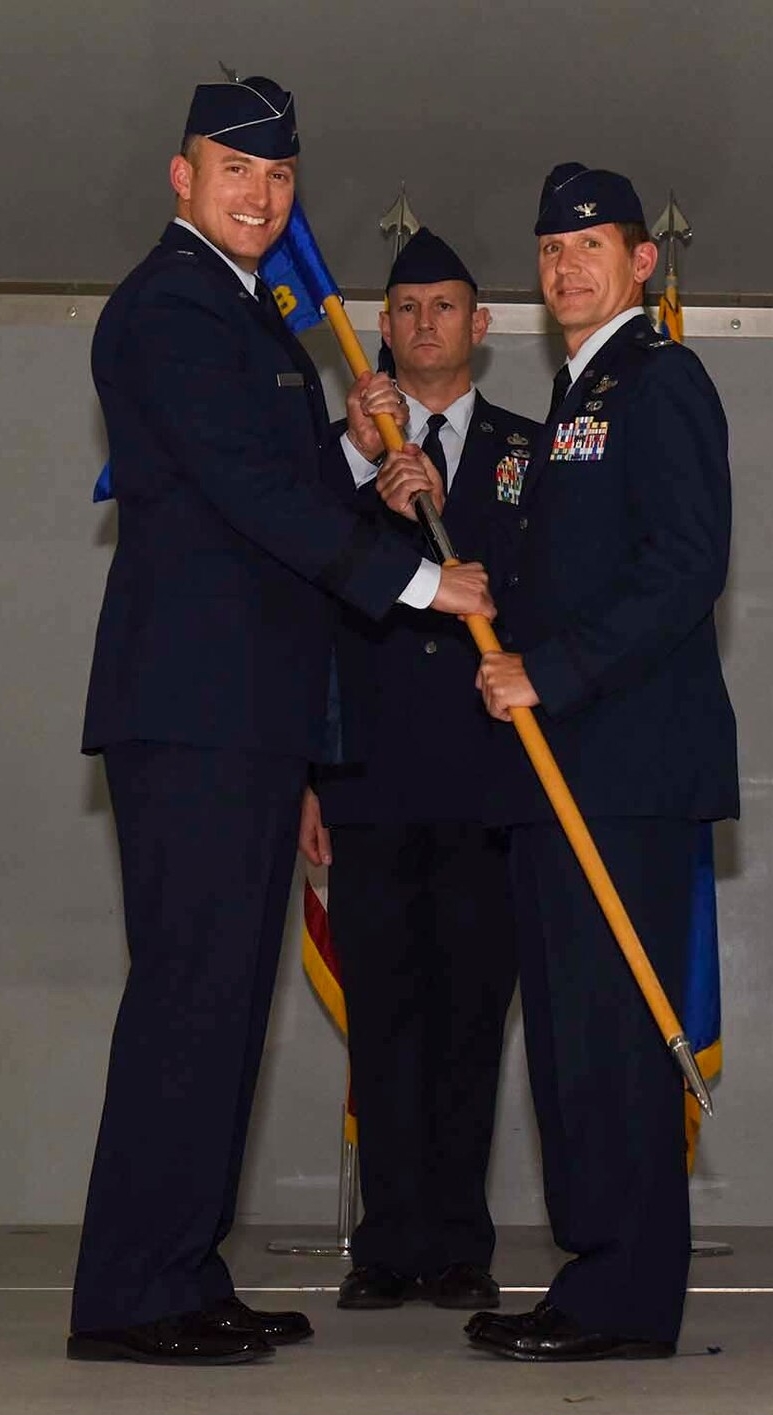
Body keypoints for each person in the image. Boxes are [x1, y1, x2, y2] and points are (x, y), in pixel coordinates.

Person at [66, 74, 492, 1367]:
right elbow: (249, 495)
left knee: (222, 1005)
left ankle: (180, 1273)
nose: (260, 194)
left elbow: (287, 479)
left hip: (244, 715)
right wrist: (420, 578)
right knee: (191, 996)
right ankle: (135, 1292)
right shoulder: (171, 308)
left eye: (280, 176)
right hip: (193, 711)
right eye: (234, 170)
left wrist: (361, 460)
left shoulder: (246, 315)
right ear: (180, 178)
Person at [387, 163, 738, 1361]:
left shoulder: (661, 381)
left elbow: (685, 567)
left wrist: (555, 669)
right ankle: (598, 1276)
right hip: (551, 772)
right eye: (548, 250)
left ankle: (628, 1296)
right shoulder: (573, 396)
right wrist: (450, 535)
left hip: (624, 766)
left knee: (612, 1039)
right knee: (572, 1041)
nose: (566, 266)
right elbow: (551, 571)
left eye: (591, 245)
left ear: (642, 263)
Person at [296, 229, 540, 1314]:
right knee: (385, 1010)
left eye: (445, 307)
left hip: (490, 778)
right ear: (381, 329)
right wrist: (371, 492)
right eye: (405, 308)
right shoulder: (338, 460)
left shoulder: (530, 454)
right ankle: (386, 1243)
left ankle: (456, 1244)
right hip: (372, 777)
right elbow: (300, 598)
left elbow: (546, 605)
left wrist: (462, 541)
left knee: (470, 1016)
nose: (424, 324)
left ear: (480, 328)